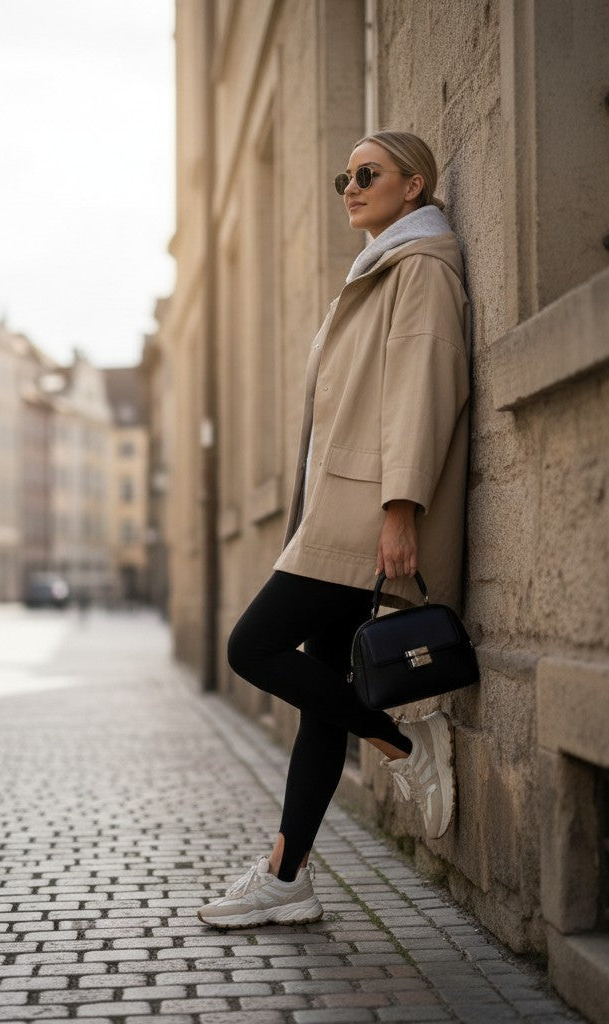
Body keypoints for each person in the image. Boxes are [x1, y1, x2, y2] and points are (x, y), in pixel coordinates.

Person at [198, 130, 471, 929]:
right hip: (339, 504)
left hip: (363, 512)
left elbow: (423, 387)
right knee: (322, 694)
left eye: (368, 173)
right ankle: (288, 876)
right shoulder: (377, 266)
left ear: (413, 185)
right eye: (342, 176)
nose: (349, 186)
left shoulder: (419, 269)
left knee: (251, 646)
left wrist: (399, 508)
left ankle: (397, 742)